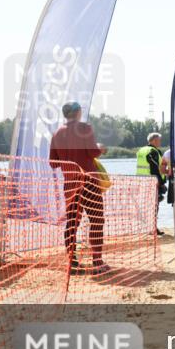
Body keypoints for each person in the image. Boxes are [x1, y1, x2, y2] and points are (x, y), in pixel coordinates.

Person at [49, 102, 109, 275]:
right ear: (77, 112)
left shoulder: (57, 133)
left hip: (70, 184)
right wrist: (100, 148)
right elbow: (92, 152)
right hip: (89, 181)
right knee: (97, 220)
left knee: (72, 223)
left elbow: (53, 163)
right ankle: (97, 261)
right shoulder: (84, 127)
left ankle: (72, 262)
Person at [136, 132, 167, 235]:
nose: (160, 142)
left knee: (147, 205)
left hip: (142, 181)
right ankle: (153, 228)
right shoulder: (153, 151)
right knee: (154, 205)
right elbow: (154, 168)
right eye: (159, 140)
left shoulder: (141, 150)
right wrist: (161, 182)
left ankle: (147, 227)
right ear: (154, 140)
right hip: (152, 182)